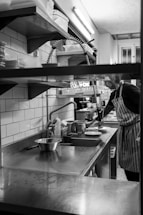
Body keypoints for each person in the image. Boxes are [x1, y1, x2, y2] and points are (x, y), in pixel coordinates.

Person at [99, 74, 140, 182]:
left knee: (137, 164)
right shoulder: (114, 94)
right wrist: (96, 119)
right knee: (127, 163)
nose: (105, 84)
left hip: (136, 130)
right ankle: (132, 184)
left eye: (106, 81)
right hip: (124, 131)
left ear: (112, 80)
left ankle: (136, 187)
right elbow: (106, 110)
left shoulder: (129, 89)